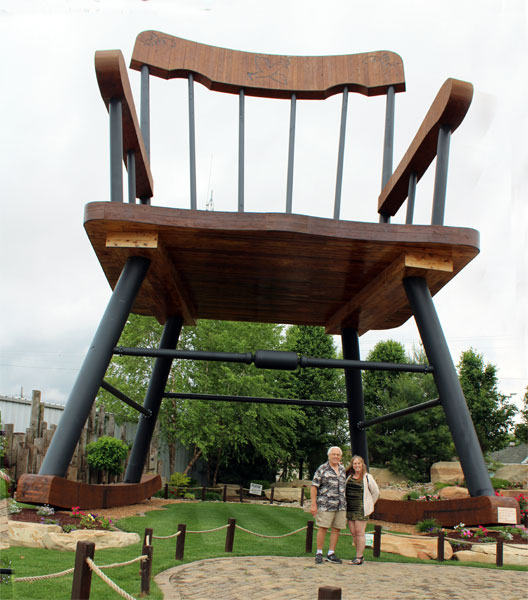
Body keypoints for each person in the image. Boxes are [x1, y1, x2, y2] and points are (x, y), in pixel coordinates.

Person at [310, 446, 347, 564]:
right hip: (325, 505)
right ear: (329, 456)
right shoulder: (322, 469)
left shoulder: (342, 469)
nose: (336, 456)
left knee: (336, 529)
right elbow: (314, 487)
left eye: (338, 455)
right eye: (333, 454)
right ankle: (319, 552)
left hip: (340, 505)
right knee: (323, 527)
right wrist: (313, 504)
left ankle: (331, 553)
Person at [345, 454, 379, 565]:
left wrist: (369, 504)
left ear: (362, 464)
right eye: (355, 463)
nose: (357, 465)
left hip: (361, 509)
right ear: (352, 465)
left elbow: (375, 492)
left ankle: (359, 557)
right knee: (353, 533)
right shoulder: (349, 477)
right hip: (350, 508)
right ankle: (359, 554)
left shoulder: (367, 477)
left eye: (359, 463)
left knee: (360, 532)